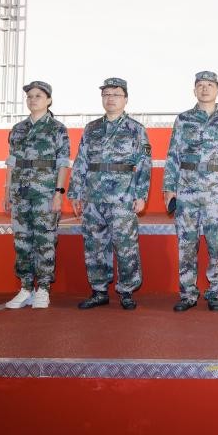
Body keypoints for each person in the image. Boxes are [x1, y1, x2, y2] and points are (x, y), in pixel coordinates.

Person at [70, 78, 152, 311]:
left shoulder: (136, 129)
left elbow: (144, 164)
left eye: (116, 94)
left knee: (125, 245)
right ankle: (99, 291)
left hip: (123, 197)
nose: (110, 98)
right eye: (106, 94)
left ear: (125, 99)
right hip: (93, 197)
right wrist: (75, 192)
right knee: (94, 245)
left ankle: (126, 291)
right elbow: (81, 161)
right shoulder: (91, 128)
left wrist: (141, 194)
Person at [163, 70, 218, 312]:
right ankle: (187, 294)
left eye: (209, 85)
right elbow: (173, 155)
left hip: (217, 191)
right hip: (186, 188)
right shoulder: (183, 119)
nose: (205, 89)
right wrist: (169, 188)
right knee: (186, 244)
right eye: (200, 85)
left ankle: (215, 292)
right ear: (194, 90)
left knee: (217, 244)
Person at [3, 80, 70, 310]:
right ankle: (25, 288)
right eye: (29, 96)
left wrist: (58, 193)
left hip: (45, 193)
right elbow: (11, 161)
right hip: (20, 193)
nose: (33, 100)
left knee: (45, 240)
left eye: (38, 96)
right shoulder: (18, 129)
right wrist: (7, 191)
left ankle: (43, 288)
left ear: (49, 100)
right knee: (21, 241)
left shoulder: (57, 128)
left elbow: (62, 163)